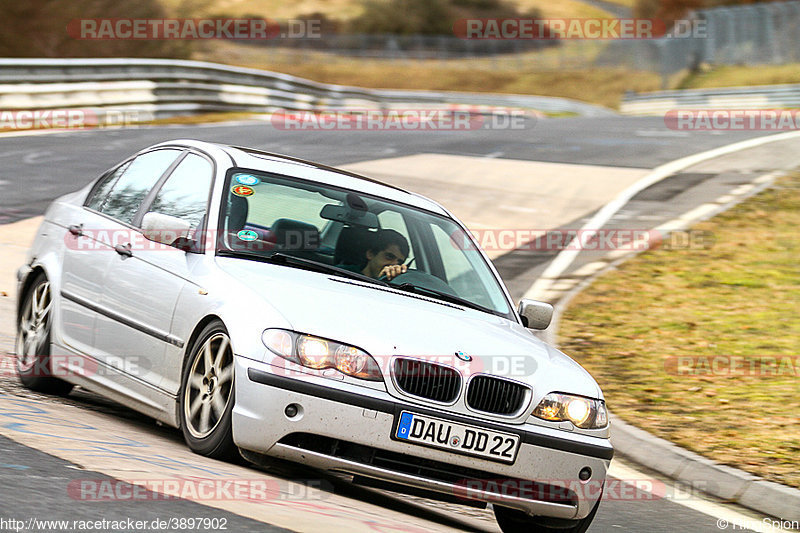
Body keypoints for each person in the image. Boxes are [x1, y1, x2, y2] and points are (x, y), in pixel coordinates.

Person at [339, 229, 410, 280]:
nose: (394, 265)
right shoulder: (341, 273)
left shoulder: (397, 286)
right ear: (370, 254)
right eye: (389, 257)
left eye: (399, 262)